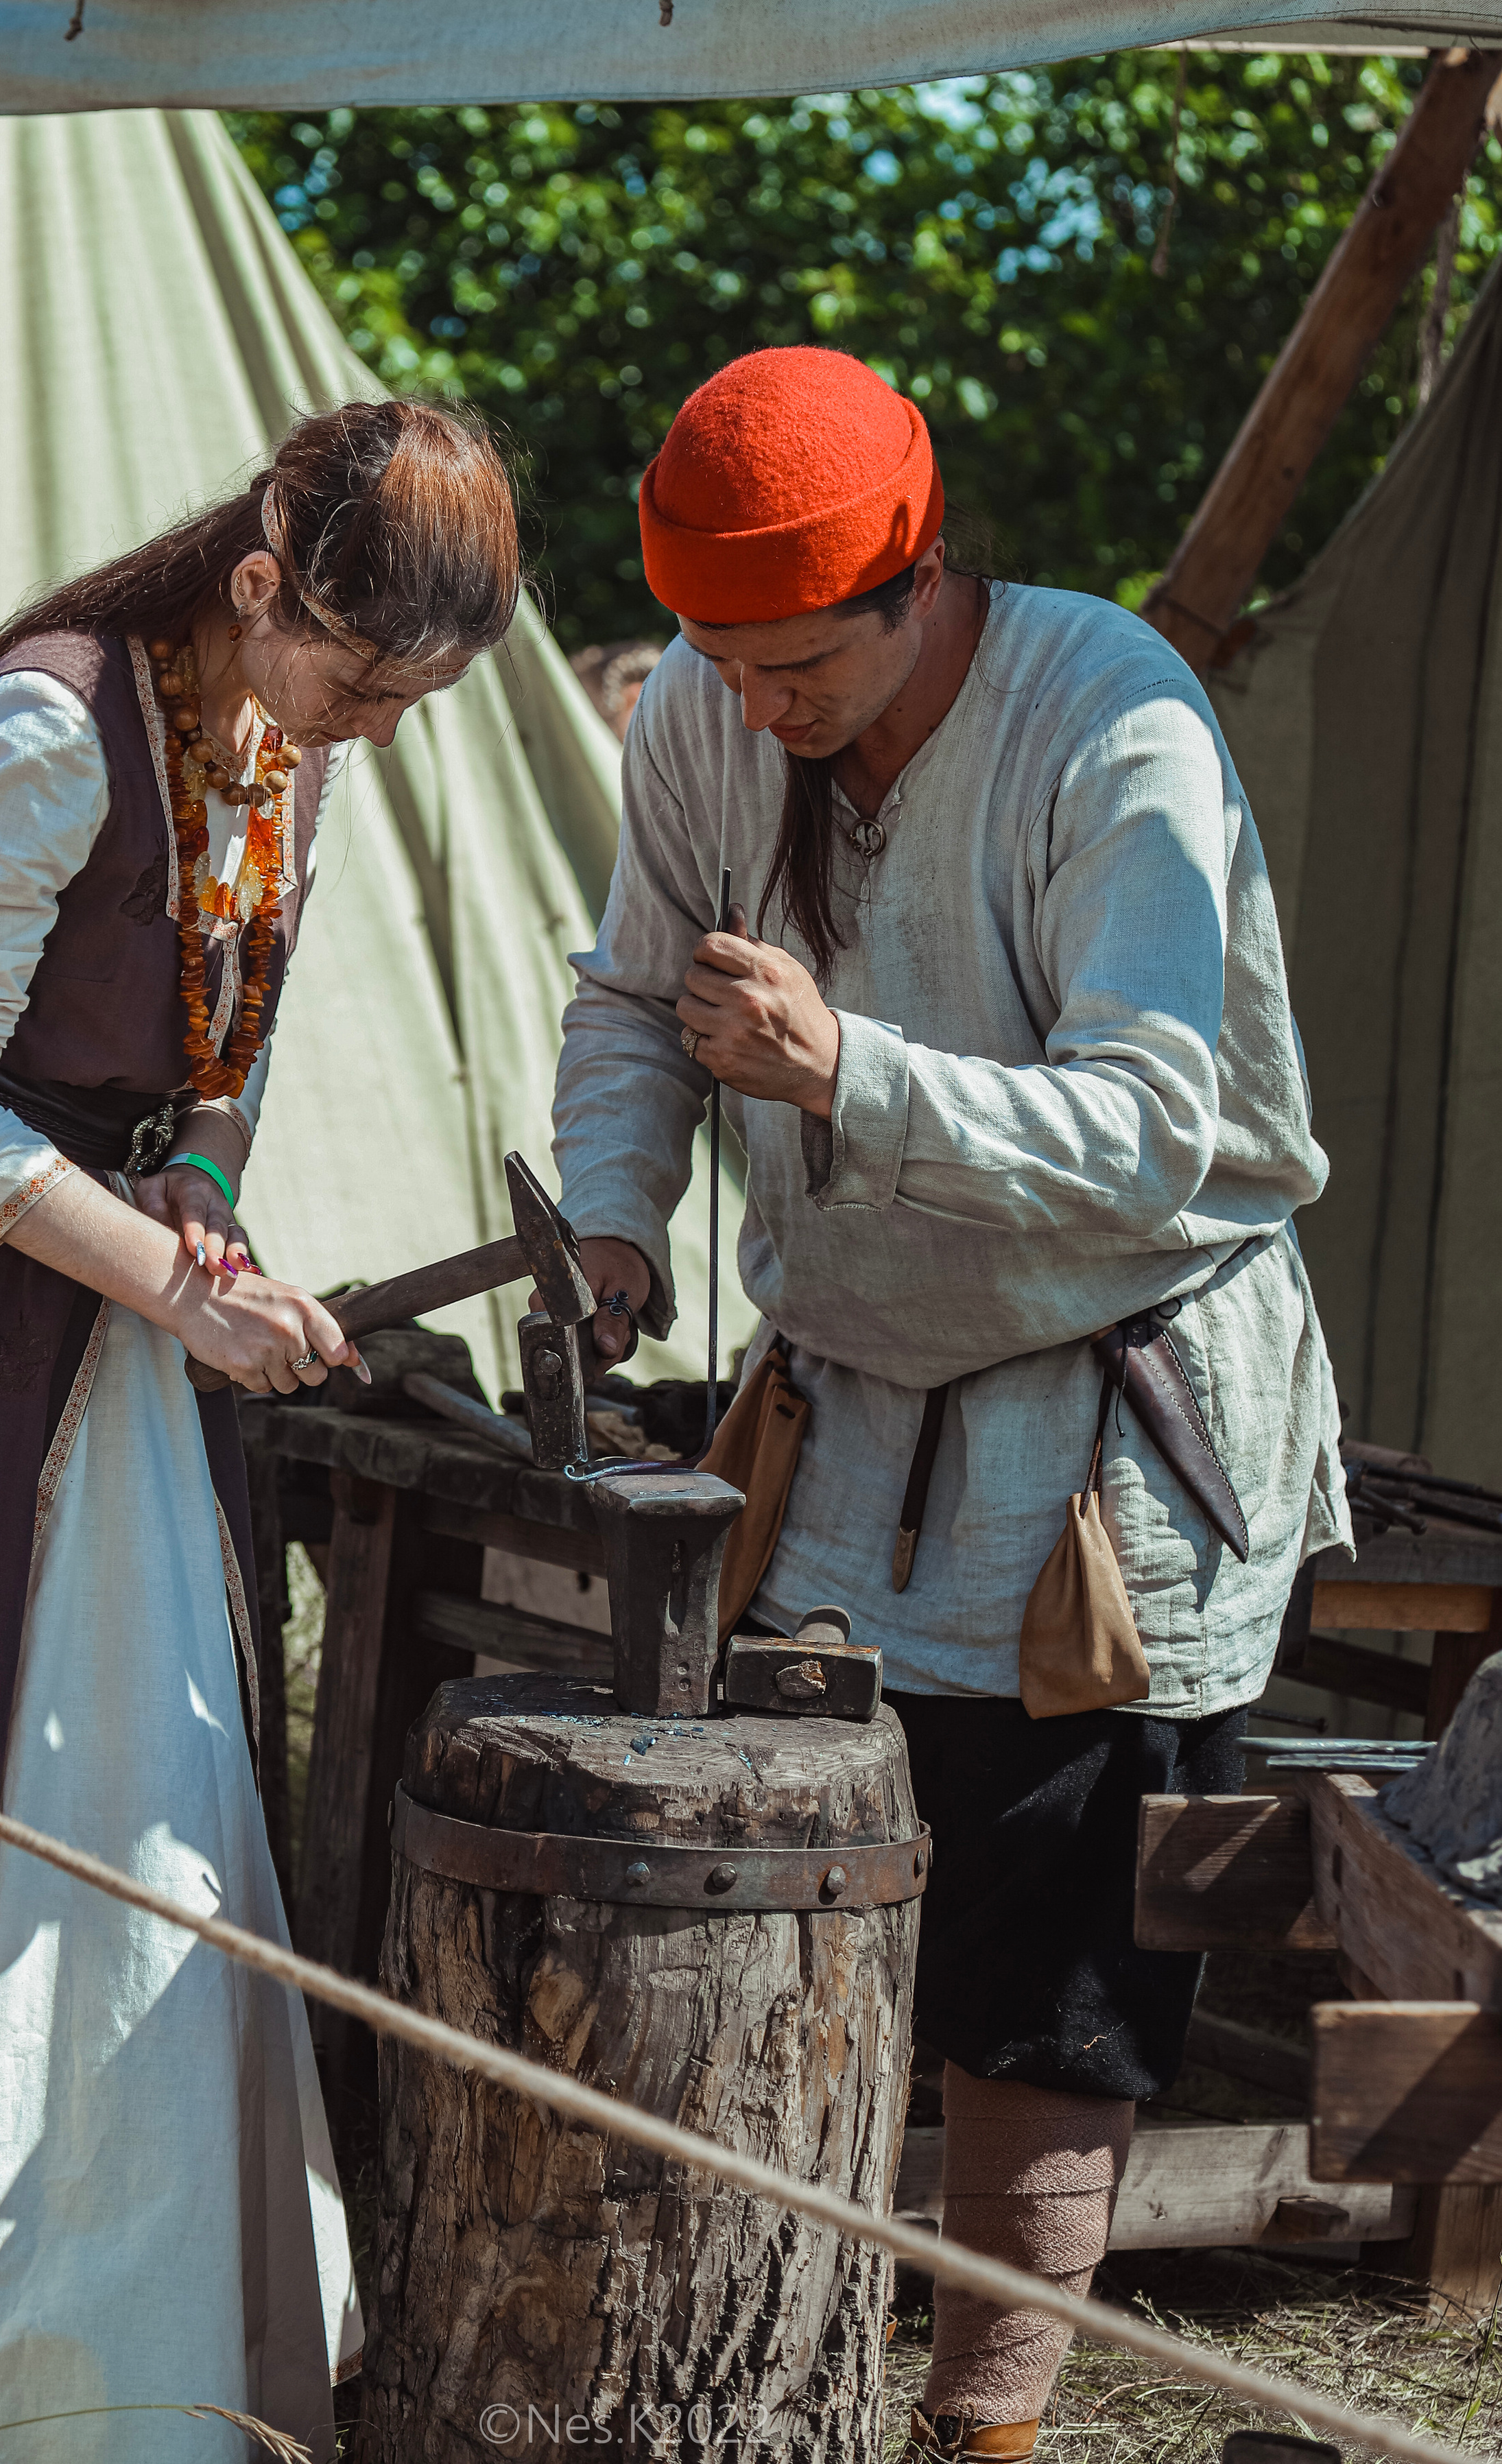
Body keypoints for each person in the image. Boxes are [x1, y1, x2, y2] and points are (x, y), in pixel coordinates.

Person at [550, 348, 1350, 2459]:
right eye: (716, 656)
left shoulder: (1118, 723)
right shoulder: (716, 723)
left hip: (1102, 1425)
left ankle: (985, 2433)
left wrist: (852, 1077)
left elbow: (1160, 1126)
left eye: (792, 658)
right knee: (796, 1878)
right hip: (846, 1409)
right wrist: (617, 1224)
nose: (748, 704)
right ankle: (762, 2381)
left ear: (918, 582)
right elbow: (640, 992)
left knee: (1055, 1965)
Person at [0, 400, 520, 2461]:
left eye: (404, 704)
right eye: (358, 681)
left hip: (101, 1315)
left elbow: (227, 1049)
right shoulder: (51, 724)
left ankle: (101, 2371)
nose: (367, 729)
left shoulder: (275, 744)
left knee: (138, 1808)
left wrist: (208, 1194)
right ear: (267, 585)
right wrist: (173, 1285)